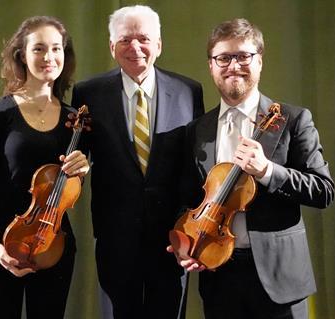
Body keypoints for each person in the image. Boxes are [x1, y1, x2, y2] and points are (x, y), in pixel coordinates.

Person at [168, 18, 335, 319]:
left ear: (259, 61)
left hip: (280, 277)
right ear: (211, 66)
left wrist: (268, 171)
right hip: (219, 274)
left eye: (243, 56)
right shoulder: (198, 129)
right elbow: (190, 197)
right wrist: (187, 241)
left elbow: (323, 190)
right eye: (223, 58)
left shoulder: (293, 120)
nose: (233, 65)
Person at [71, 5, 204, 319]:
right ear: (111, 46)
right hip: (115, 236)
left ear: (158, 44)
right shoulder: (88, 93)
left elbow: (193, 164)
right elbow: (81, 159)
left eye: (143, 39)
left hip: (174, 237)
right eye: (125, 39)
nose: (135, 48)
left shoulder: (189, 91)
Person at [0, 16, 89, 319]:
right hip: (0, 242)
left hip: (53, 245)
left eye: (57, 49)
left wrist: (83, 168)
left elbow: (70, 184)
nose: (49, 57)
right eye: (39, 49)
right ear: (22, 55)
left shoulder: (76, 121)